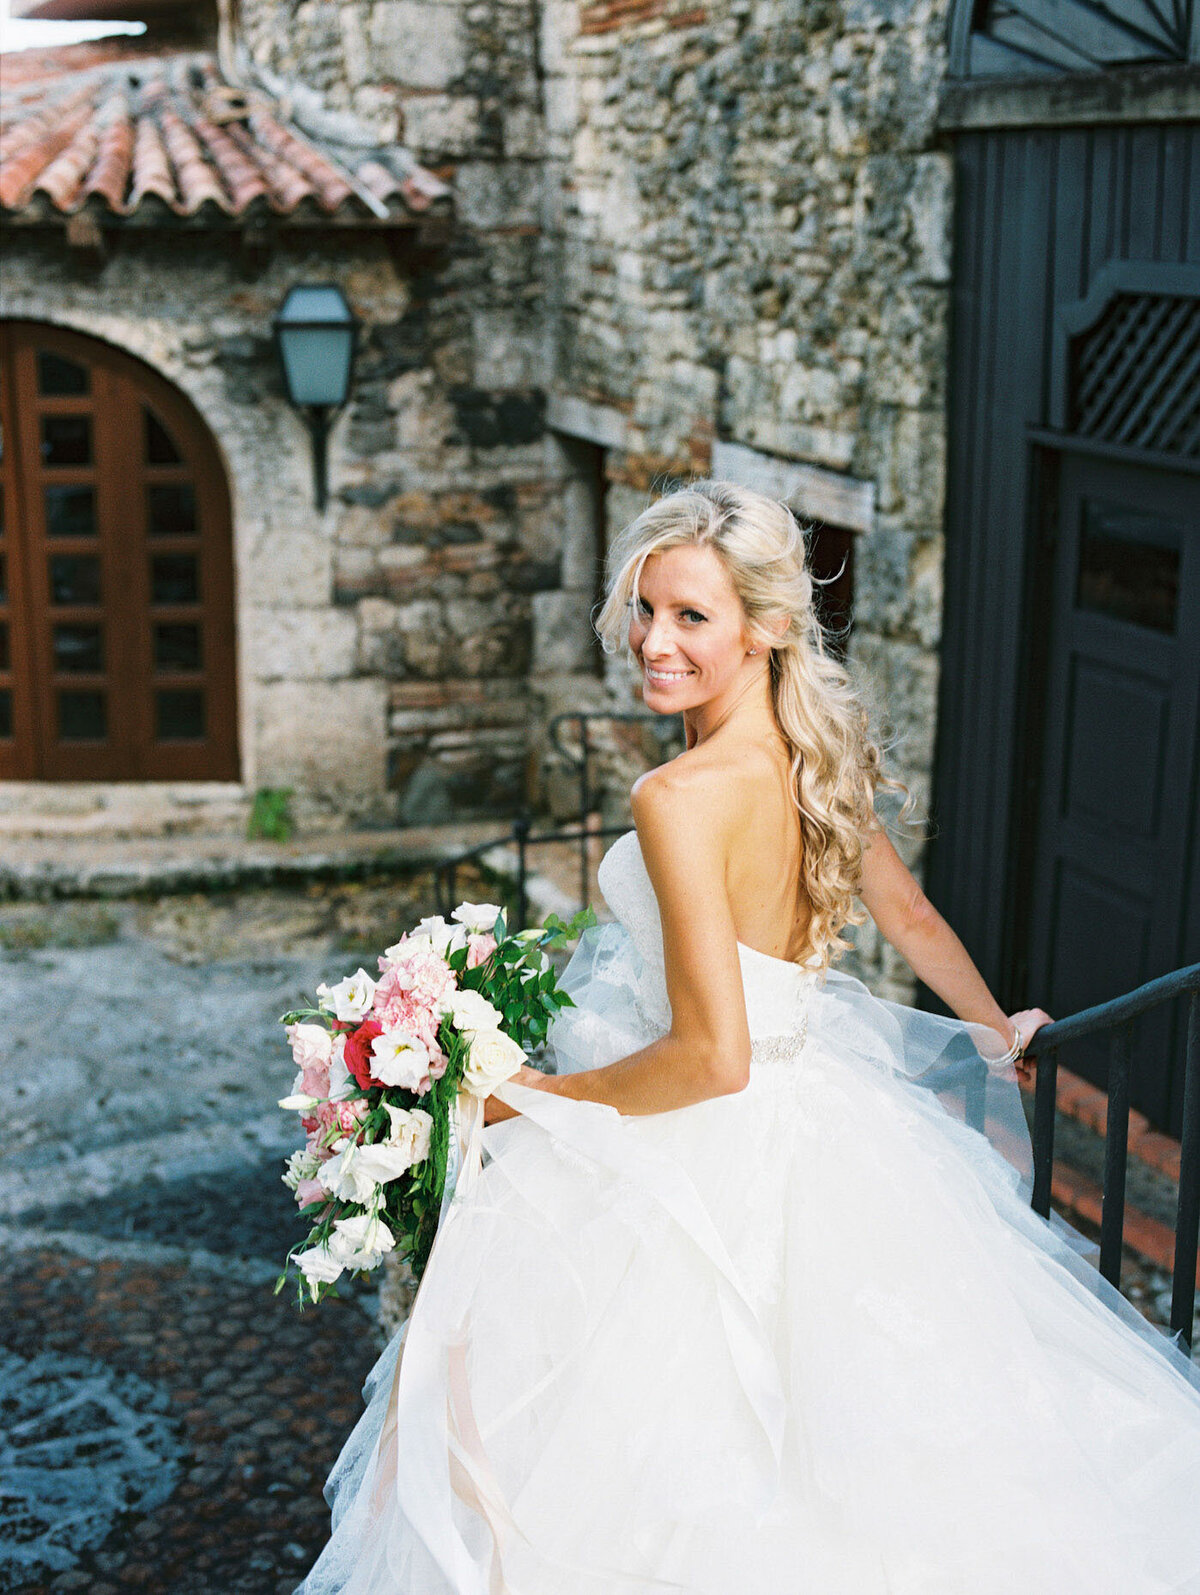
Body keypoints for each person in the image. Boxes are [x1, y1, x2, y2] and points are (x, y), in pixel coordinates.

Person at [297, 481, 1200, 1595]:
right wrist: (990, 1024)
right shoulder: (812, 753)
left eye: (691, 617)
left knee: (560, 1446)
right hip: (820, 1111)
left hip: (692, 1136)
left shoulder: (676, 795)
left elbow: (713, 1056)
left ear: (767, 625)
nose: (652, 641)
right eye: (645, 607)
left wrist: (520, 1092)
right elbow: (907, 914)